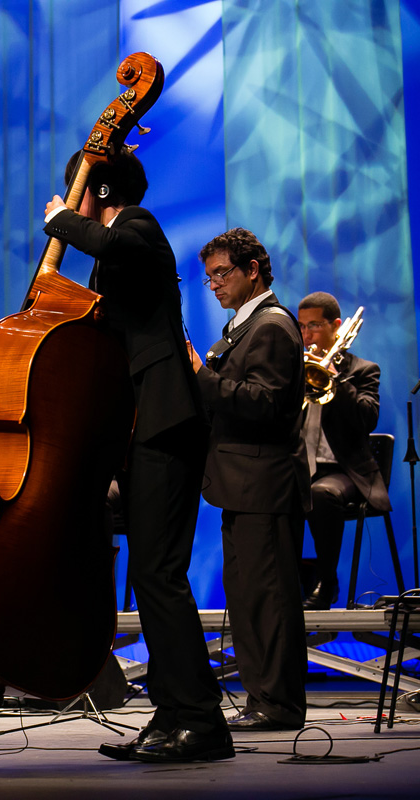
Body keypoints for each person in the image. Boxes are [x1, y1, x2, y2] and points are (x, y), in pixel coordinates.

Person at [44, 149, 230, 763]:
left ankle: (200, 721)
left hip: (167, 425)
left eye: (76, 190)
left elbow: (116, 246)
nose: (71, 201)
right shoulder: (118, 243)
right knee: (150, 577)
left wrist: (61, 222)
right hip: (142, 427)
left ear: (95, 191)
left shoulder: (138, 226)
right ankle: (177, 713)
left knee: (159, 575)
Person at [189, 228, 310, 732]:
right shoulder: (245, 326)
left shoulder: (273, 327)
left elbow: (266, 404)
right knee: (246, 599)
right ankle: (263, 699)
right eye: (209, 277)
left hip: (265, 483)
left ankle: (278, 706)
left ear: (252, 270)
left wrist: (199, 374)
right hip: (242, 483)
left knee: (269, 601)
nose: (214, 285)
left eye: (222, 273)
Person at [296, 292, 390, 609]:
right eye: (301, 327)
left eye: (313, 326)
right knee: (266, 492)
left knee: (321, 494)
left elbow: (366, 418)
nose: (306, 335)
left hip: (343, 471)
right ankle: (288, 582)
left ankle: (327, 580)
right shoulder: (294, 368)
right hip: (299, 466)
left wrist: (334, 381)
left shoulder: (364, 370)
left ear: (336, 326)